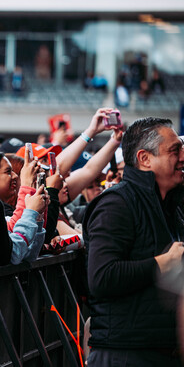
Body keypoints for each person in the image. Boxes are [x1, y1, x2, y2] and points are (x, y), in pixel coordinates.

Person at [84, 117, 184, 366]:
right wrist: (160, 264)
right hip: (125, 355)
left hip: (161, 353)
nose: (183, 157)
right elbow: (101, 277)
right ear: (145, 159)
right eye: (174, 151)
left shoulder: (172, 206)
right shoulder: (116, 204)